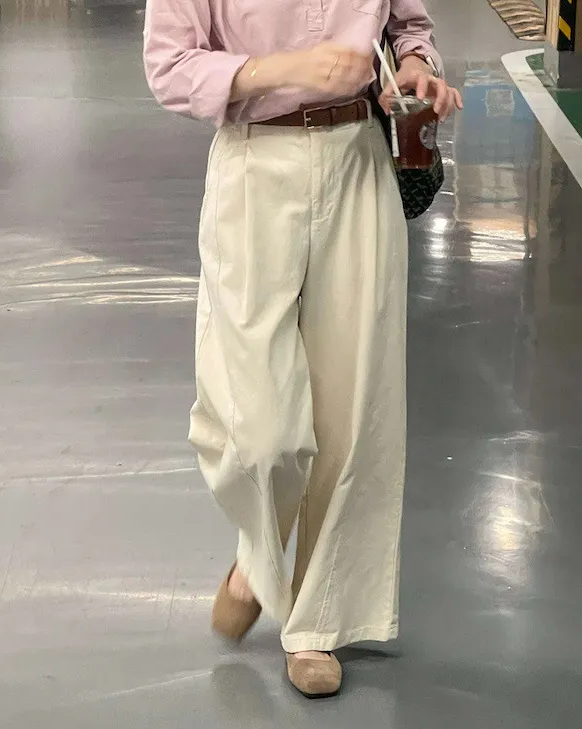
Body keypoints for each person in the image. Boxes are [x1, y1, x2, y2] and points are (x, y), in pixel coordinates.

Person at [144, 0, 462, 698]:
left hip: (359, 162)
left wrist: (416, 70)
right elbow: (169, 65)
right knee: (257, 422)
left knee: (354, 406)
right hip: (254, 162)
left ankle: (318, 621)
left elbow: (409, 29)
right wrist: (284, 69)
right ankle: (258, 559)